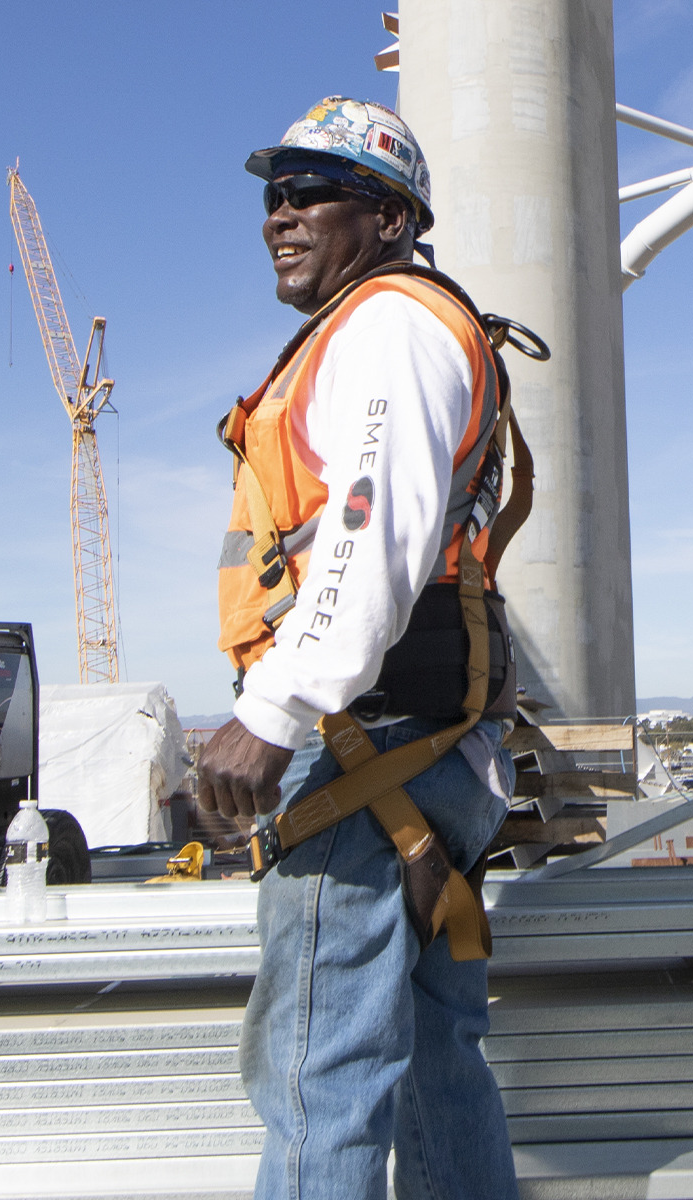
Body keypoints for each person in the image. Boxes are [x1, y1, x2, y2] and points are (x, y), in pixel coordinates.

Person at [195, 97, 521, 1200]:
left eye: (309, 192)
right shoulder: (393, 325)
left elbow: (370, 531)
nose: (278, 216)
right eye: (271, 195)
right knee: (436, 1064)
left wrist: (272, 710)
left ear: (389, 219)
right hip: (425, 746)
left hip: (363, 744)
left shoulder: (387, 324)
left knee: (317, 1079)